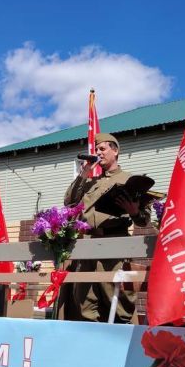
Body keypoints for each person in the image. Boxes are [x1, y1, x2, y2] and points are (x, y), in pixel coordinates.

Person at [63, 132, 151, 323]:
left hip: (115, 247)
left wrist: (135, 212)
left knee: (118, 304)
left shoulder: (130, 180)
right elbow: (69, 203)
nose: (98, 153)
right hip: (87, 247)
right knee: (85, 304)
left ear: (116, 150)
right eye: (96, 149)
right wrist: (83, 174)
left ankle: (118, 346)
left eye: (102, 149)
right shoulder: (90, 182)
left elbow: (144, 220)